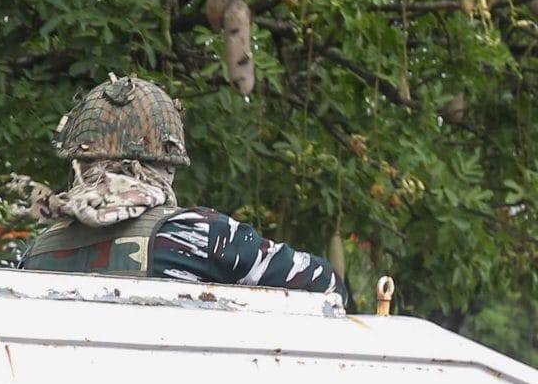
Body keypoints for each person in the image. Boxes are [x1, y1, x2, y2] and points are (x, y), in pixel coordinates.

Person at [20, 76, 349, 300]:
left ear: (78, 160)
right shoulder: (200, 236)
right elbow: (327, 285)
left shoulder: (36, 254)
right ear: (166, 164)